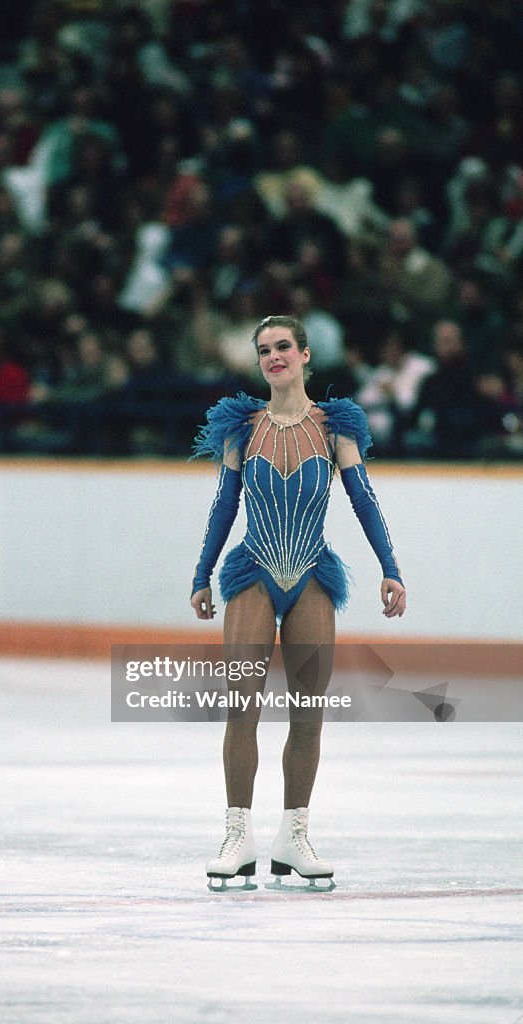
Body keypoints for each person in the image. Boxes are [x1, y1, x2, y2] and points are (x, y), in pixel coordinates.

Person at [190, 314, 406, 892]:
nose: (274, 357)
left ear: (305, 355)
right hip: (253, 572)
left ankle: (294, 835)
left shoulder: (337, 427)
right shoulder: (243, 427)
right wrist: (202, 573)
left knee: (307, 713)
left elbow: (364, 499)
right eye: (264, 350)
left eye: (283, 346)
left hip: (311, 574)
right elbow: (224, 506)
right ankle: (238, 835)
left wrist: (391, 569)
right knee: (243, 706)